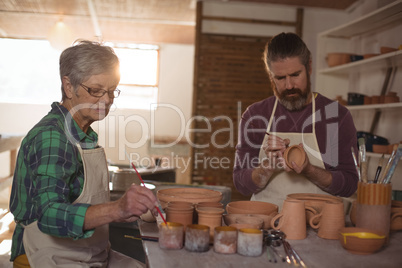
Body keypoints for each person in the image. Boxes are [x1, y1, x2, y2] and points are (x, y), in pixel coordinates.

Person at [9, 40, 158, 267]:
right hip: (47, 255)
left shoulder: (84, 135)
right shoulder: (52, 136)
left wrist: (125, 208)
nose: (107, 100)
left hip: (88, 252)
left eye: (111, 91)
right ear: (69, 87)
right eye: (96, 90)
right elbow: (49, 214)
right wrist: (117, 209)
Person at [233, 32, 358, 209]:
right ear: (271, 76)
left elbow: (350, 184)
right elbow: (240, 183)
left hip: (318, 224)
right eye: (280, 78)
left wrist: (309, 169)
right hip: (268, 223)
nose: (289, 85)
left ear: (309, 67)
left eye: (295, 75)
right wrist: (268, 167)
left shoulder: (335, 116)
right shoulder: (255, 116)